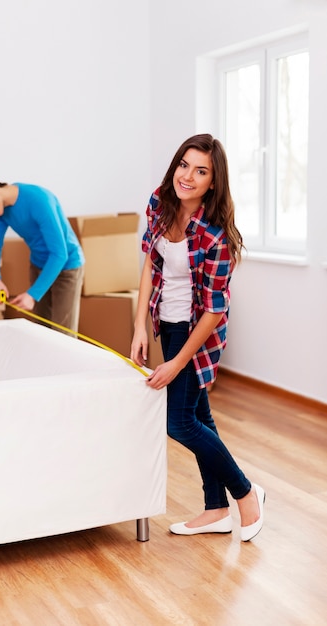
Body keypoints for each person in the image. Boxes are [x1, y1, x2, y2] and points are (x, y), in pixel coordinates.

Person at [130, 134, 265, 541]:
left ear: (212, 182)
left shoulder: (216, 236)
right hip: (167, 323)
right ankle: (216, 508)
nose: (187, 176)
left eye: (200, 171)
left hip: (199, 333)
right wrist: (138, 325)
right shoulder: (159, 202)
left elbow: (214, 309)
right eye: (183, 165)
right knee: (199, 415)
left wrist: (175, 362)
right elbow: (150, 266)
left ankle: (246, 494)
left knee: (180, 423)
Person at [0, 172, 85, 333]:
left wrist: (32, 295)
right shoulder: (1, 209)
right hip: (39, 265)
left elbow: (60, 254)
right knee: (41, 332)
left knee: (63, 336)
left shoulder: (39, 200)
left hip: (67, 266)